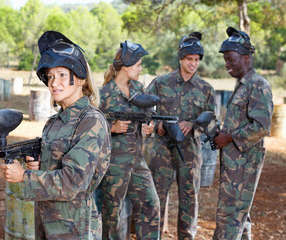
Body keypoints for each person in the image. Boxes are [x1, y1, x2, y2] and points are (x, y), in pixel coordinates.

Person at [0, 31, 111, 239]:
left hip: (74, 228)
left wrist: (24, 176)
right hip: (46, 221)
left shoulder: (90, 121)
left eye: (61, 75)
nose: (53, 82)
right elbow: (55, 165)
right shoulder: (54, 122)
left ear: (79, 78)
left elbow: (73, 182)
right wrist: (39, 165)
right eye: (50, 76)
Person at [145, 32, 216, 239]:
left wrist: (192, 124)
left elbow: (212, 119)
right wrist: (158, 123)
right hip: (161, 148)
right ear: (180, 59)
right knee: (157, 195)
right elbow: (145, 109)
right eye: (189, 59)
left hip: (190, 149)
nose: (193, 64)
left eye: (196, 60)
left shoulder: (205, 89)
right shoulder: (161, 82)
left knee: (189, 198)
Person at [213, 27, 273, 240]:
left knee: (229, 219)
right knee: (240, 217)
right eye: (225, 60)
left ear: (246, 57)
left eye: (230, 59)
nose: (227, 64)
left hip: (244, 167)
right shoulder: (242, 85)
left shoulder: (258, 85)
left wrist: (229, 137)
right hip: (234, 165)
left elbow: (262, 126)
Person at [99, 40, 160, 240]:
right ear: (125, 66)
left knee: (151, 205)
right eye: (138, 65)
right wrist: (112, 128)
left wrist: (148, 127)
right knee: (112, 216)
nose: (141, 69)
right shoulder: (103, 95)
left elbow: (147, 116)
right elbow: (90, 130)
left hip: (138, 161)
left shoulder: (139, 89)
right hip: (114, 165)